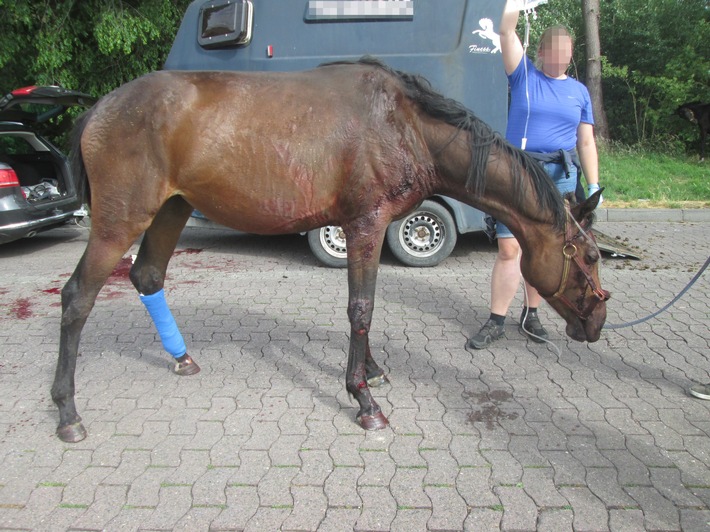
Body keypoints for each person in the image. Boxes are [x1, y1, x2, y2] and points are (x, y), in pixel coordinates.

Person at [467, 0, 602, 349]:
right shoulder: (524, 75)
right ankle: (496, 319)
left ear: (571, 55)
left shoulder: (580, 92)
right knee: (510, 249)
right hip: (520, 175)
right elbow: (506, 30)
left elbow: (585, 141)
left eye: (566, 51)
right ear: (540, 51)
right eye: (553, 50)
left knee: (547, 250)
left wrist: (595, 183)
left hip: (561, 179)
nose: (559, 56)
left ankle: (532, 314)